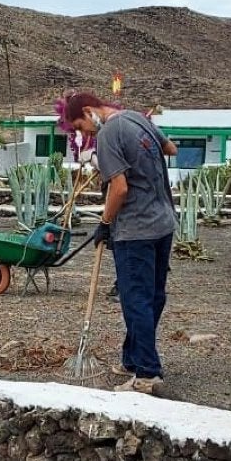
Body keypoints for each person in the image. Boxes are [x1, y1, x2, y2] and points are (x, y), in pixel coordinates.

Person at [61, 91, 177, 394]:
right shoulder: (138, 118)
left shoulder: (109, 133)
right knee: (152, 296)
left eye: (79, 125)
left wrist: (105, 223)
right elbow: (171, 149)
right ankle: (132, 359)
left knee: (135, 298)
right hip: (163, 221)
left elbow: (120, 188)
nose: (82, 132)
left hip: (136, 228)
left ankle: (148, 374)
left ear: (89, 111)